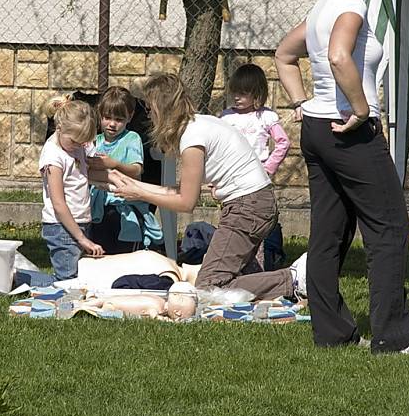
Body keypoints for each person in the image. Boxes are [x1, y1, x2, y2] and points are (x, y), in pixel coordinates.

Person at [274, 0, 409, 354]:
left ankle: (331, 332)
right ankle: (394, 335)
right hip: (349, 132)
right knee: (389, 227)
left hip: (317, 129)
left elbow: (284, 54)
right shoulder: (350, 8)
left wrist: (300, 104)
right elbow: (337, 56)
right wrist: (363, 109)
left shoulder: (320, 8)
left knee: (329, 232)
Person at [107, 74, 295, 302]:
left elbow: (186, 202)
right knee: (227, 279)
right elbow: (180, 190)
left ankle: (293, 280)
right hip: (253, 205)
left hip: (247, 208)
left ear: (161, 108)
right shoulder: (199, 124)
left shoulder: (192, 138)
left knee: (209, 285)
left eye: (149, 108)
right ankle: (287, 282)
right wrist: (133, 184)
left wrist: (138, 192)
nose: (148, 114)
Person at [220, 63, 290, 270]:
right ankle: (231, 266)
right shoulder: (226, 117)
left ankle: (257, 268)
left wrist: (268, 168)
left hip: (256, 177)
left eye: (243, 93)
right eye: (235, 93)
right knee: (231, 220)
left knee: (254, 223)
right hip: (231, 177)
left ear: (257, 95)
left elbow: (283, 142)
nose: (237, 98)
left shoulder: (266, 117)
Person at [86, 86, 162, 253]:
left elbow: (136, 170)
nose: (112, 124)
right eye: (107, 118)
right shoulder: (95, 141)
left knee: (125, 252)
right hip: (98, 208)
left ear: (130, 116)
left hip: (125, 208)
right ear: (100, 115)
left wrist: (114, 164)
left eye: (119, 119)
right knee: (100, 251)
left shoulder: (131, 138)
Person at [39, 95, 104, 281]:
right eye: (75, 142)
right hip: (62, 227)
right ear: (59, 128)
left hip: (80, 220)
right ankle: (22, 279)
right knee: (68, 279)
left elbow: (82, 175)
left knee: (78, 275)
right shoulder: (53, 156)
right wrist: (81, 239)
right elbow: (58, 203)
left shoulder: (74, 147)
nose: (78, 147)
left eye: (82, 143)